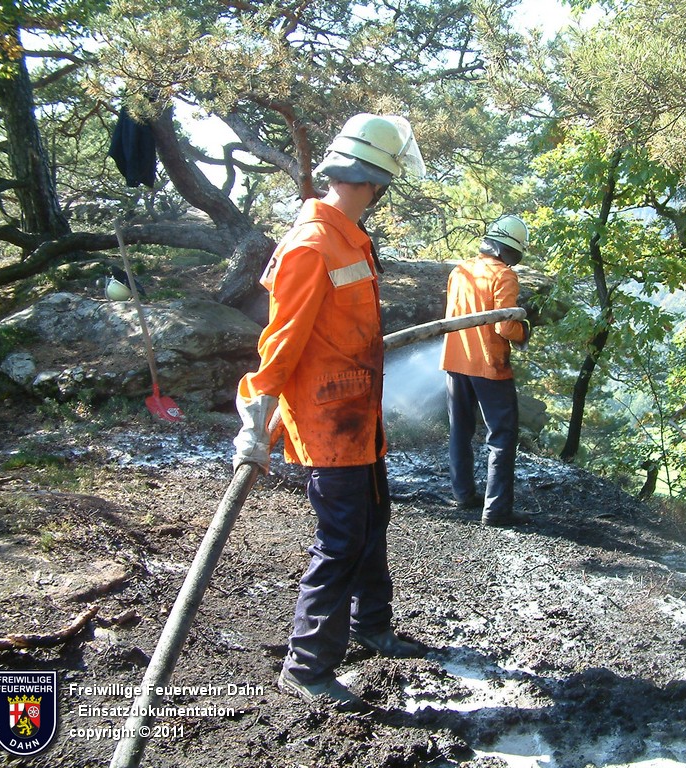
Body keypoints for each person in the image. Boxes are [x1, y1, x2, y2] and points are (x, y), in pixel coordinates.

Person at [232, 113, 426, 709]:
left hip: (360, 417)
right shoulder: (312, 244)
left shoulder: (349, 236)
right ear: (373, 181)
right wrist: (256, 418)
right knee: (341, 539)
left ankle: (372, 625)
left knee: (373, 521)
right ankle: (307, 664)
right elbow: (281, 341)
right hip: (328, 421)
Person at [440, 215, 532, 527]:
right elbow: (505, 326)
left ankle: (463, 494)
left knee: (460, 430)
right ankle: (496, 511)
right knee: (502, 437)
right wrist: (524, 330)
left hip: (455, 361)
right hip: (489, 366)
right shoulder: (504, 275)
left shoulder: (460, 270)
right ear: (510, 250)